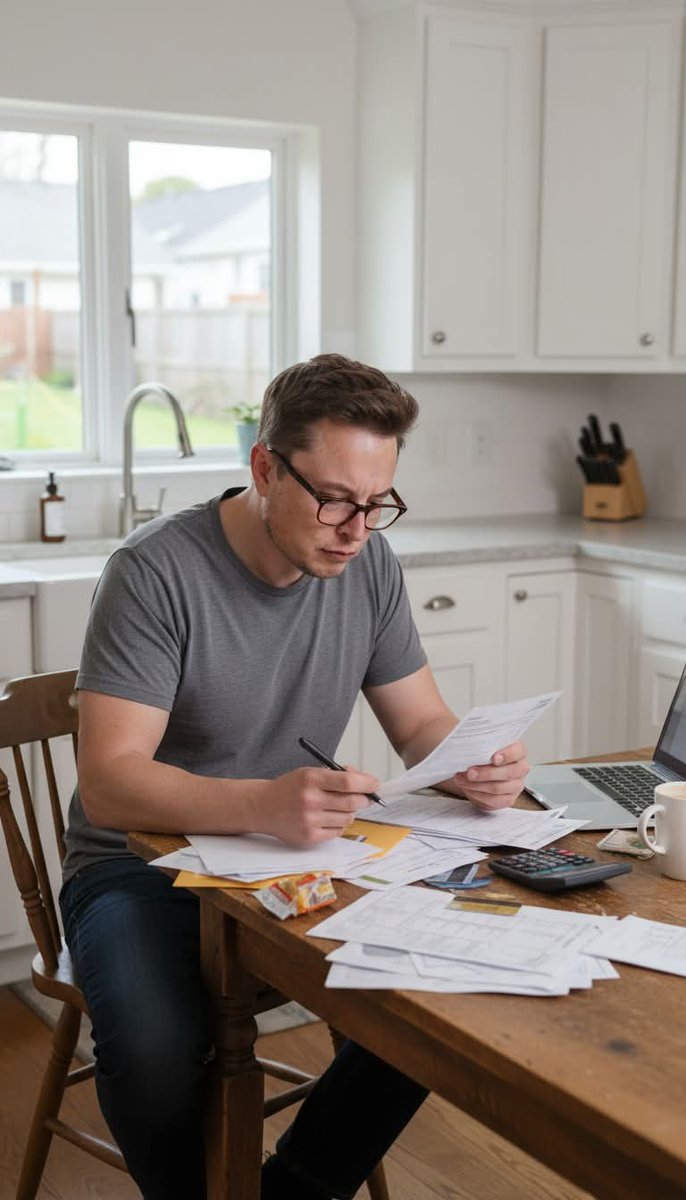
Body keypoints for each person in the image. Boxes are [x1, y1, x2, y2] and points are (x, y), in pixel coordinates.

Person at [59, 353, 528, 1200]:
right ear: (265, 467)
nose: (357, 528)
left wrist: (472, 761)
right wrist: (263, 804)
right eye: (336, 499)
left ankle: (297, 1190)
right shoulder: (156, 572)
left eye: (377, 503)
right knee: (157, 1056)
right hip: (139, 866)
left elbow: (419, 721)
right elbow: (112, 784)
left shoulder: (368, 566)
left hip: (298, 862)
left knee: (435, 997)